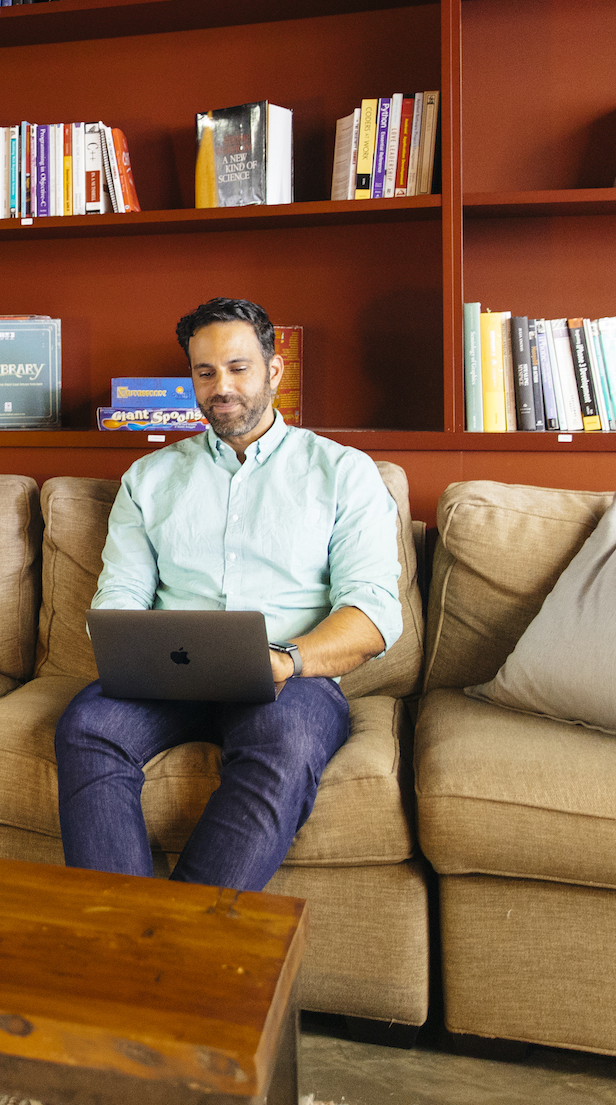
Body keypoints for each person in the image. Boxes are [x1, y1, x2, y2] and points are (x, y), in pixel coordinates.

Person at [54, 297, 401, 890]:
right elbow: (121, 593)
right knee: (87, 725)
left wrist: (286, 659)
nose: (222, 387)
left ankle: (183, 945)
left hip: (291, 678)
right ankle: (121, 933)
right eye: (205, 372)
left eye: (238, 368)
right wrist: (124, 645)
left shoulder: (344, 472)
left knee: (285, 745)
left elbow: (372, 612)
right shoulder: (150, 478)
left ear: (274, 370)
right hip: (169, 679)